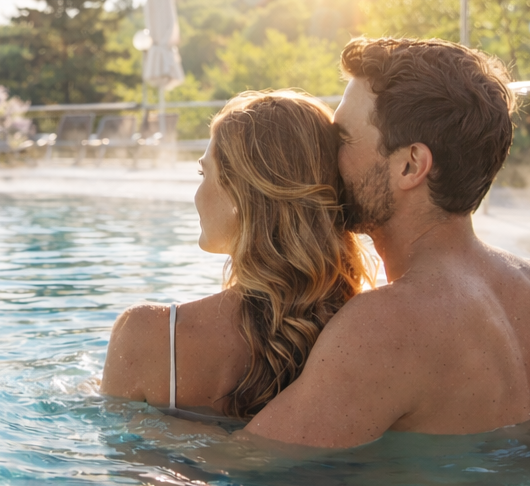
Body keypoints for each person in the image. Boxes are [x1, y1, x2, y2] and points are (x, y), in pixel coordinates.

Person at [245, 37, 530, 448]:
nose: (326, 158)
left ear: (411, 165)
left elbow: (247, 468)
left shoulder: (383, 326)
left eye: (341, 140)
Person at [101, 90, 374, 419]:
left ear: (240, 196)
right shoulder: (364, 335)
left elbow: (121, 459)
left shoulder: (148, 337)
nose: (197, 194)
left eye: (204, 174)